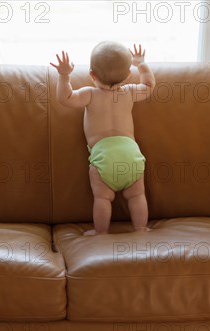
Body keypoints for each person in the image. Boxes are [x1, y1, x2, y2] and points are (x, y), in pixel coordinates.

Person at [50, 42, 156, 235]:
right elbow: (149, 85)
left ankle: (101, 232)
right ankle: (140, 228)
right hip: (131, 154)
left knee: (102, 199)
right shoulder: (130, 91)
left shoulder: (89, 94)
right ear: (128, 75)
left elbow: (65, 98)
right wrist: (141, 64)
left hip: (104, 157)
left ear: (92, 75)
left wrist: (64, 76)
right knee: (137, 195)